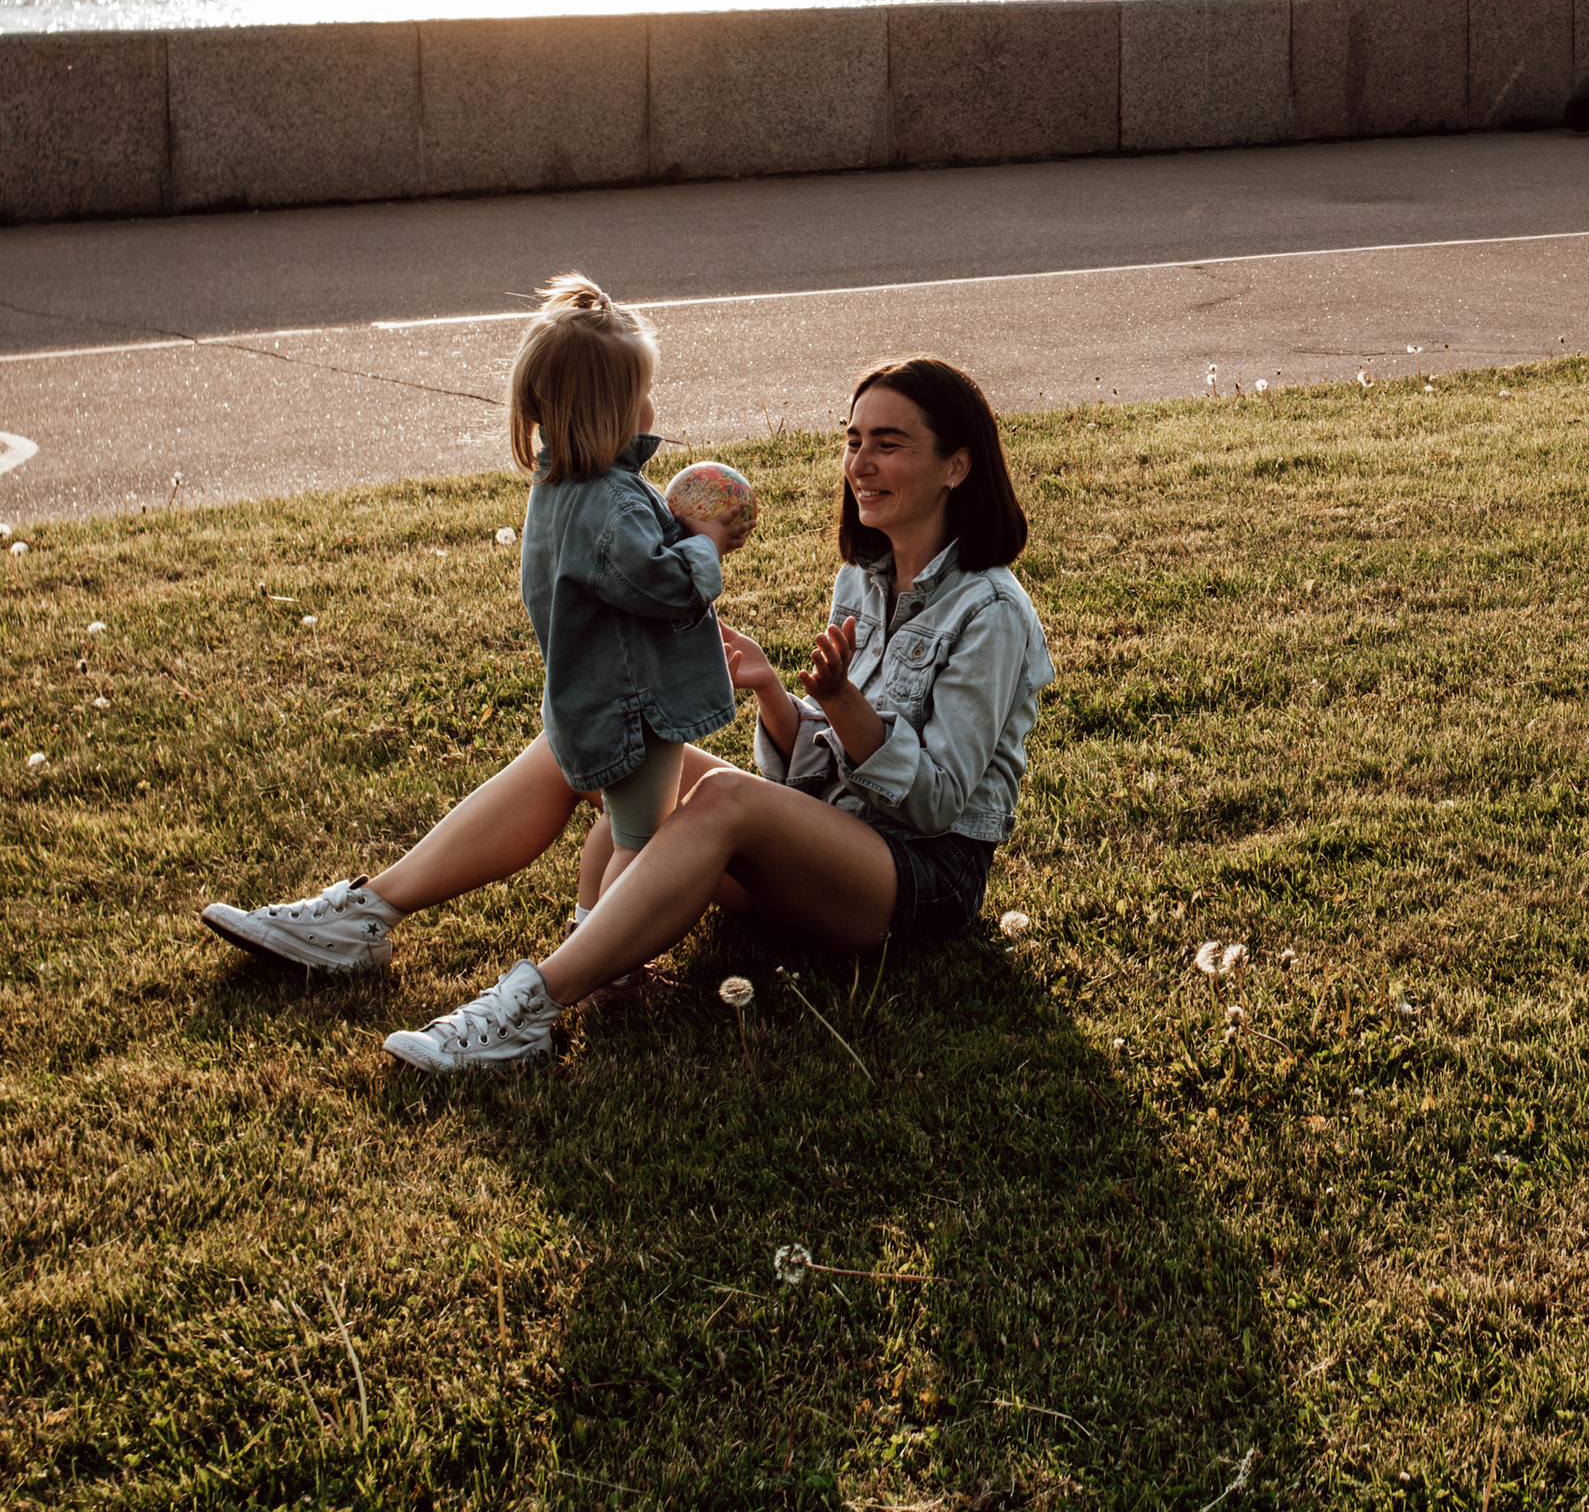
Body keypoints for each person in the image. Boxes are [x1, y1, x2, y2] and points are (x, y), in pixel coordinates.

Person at [200, 355, 1050, 1075]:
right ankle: (368, 915)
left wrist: (843, 707)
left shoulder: (992, 613)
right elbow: (816, 774)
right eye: (853, 441)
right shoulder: (863, 579)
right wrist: (777, 700)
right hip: (830, 853)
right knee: (624, 730)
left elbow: (936, 805)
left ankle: (532, 1005)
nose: (859, 463)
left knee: (721, 802)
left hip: (918, 887)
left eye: (888, 444)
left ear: (957, 466)